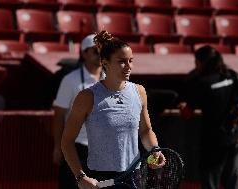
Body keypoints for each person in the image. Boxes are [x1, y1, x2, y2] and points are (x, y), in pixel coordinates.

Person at [61, 30, 166, 189]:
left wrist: (154, 150)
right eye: (122, 61)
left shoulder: (139, 92)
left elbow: (145, 131)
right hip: (100, 179)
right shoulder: (87, 97)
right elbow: (67, 141)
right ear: (105, 62)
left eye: (131, 60)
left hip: (135, 177)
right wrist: (81, 176)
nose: (128, 66)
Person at [179, 46, 238, 189]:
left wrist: (182, 106)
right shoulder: (232, 75)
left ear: (201, 62)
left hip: (212, 143)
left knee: (210, 181)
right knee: (233, 180)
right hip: (233, 139)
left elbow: (187, 113)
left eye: (196, 61)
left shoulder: (202, 83)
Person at [52, 34, 103, 189]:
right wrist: (57, 147)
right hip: (76, 149)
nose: (100, 54)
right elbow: (59, 115)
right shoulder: (70, 80)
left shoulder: (113, 79)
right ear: (84, 53)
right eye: (95, 50)